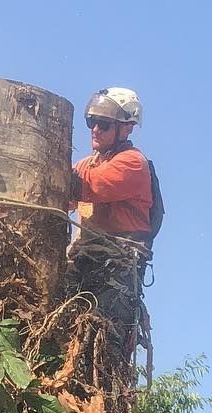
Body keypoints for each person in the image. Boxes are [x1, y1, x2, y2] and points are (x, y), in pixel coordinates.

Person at [67, 88, 162, 367]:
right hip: (84, 260)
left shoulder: (132, 163)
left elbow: (86, 186)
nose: (95, 129)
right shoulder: (89, 163)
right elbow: (63, 196)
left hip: (116, 267)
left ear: (127, 128)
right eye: (91, 122)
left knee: (102, 343)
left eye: (104, 124)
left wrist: (50, 167)